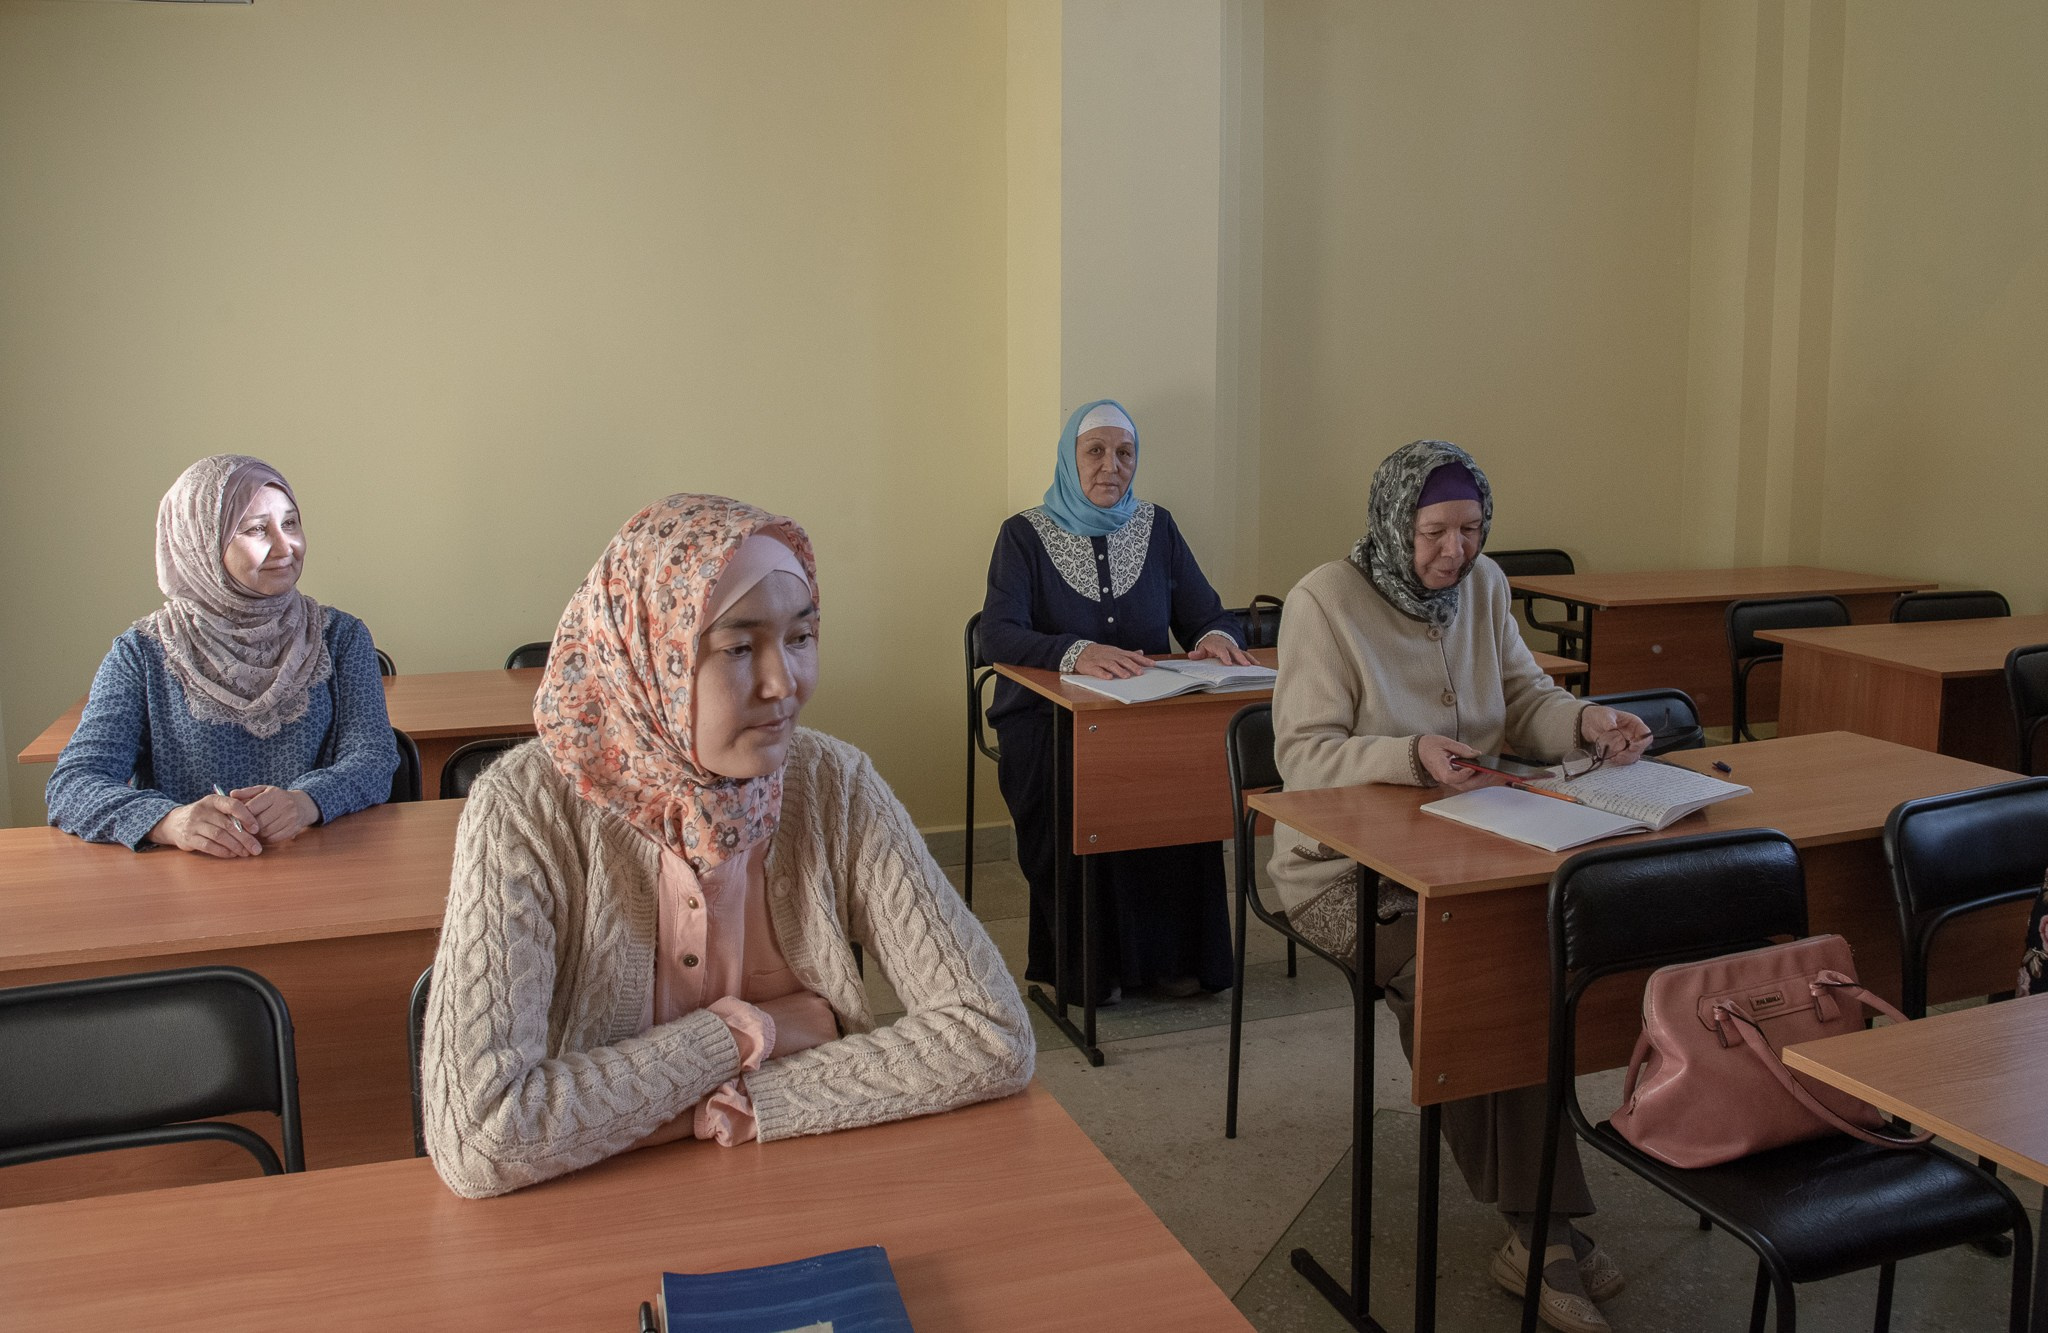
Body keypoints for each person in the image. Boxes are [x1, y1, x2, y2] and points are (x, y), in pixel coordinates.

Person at [421, 494, 1033, 1199]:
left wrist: (748, 1102)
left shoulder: (833, 784)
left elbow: (992, 1029)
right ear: (647, 656)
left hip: (798, 1183)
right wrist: (746, 1033)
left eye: (801, 637)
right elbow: (483, 1133)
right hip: (591, 1210)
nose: (784, 684)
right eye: (739, 648)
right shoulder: (524, 808)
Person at [1267, 440, 1652, 1333]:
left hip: (1472, 849)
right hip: (1344, 873)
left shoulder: (1485, 586)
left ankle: (1540, 1217)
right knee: (1474, 981)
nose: (1456, 550)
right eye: (1435, 531)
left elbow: (1526, 699)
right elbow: (1302, 757)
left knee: (1544, 961)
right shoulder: (1324, 600)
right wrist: (1409, 755)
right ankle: (1543, 1232)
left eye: (1472, 529)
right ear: (1394, 523)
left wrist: (1587, 720)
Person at [980, 399, 1254, 1004]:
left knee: (1183, 780)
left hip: (1147, 716)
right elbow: (997, 633)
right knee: (1073, 789)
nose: (1112, 466)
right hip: (1048, 718)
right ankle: (1088, 967)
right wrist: (1075, 651)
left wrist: (1215, 636)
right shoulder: (1023, 535)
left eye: (1124, 453)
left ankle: (1173, 960)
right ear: (1069, 458)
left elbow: (1206, 614)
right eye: (1096, 451)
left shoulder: (1158, 527)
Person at [46, 454, 398, 855]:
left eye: (290, 523)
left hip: (319, 865)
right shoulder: (142, 653)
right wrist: (170, 821)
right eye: (257, 529)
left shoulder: (340, 636)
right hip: (187, 878)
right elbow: (74, 784)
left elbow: (373, 759)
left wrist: (306, 802)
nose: (286, 546)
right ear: (202, 543)